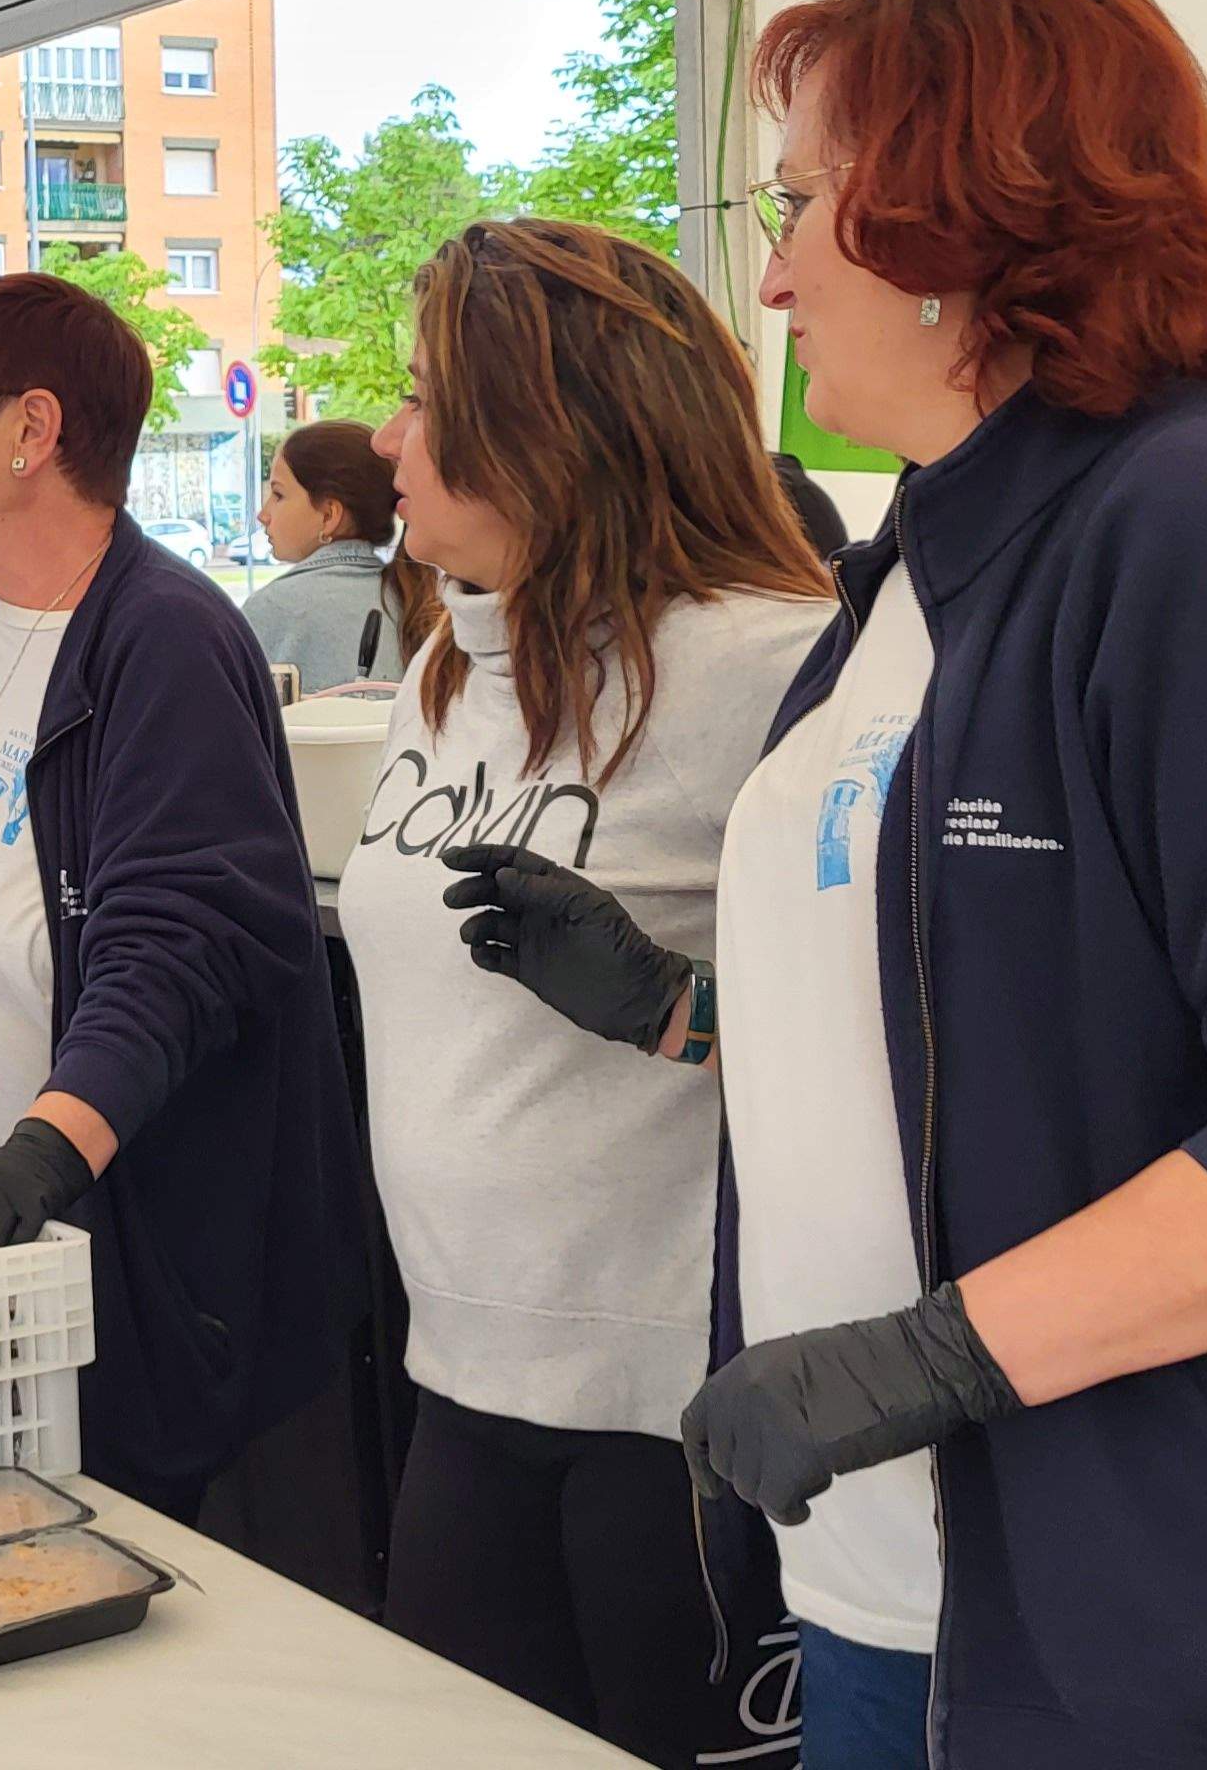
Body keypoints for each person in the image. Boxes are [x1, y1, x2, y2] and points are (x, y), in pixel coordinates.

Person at [452, 0, 1207, 1767]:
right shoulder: (906, 583)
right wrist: (683, 1009)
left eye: (812, 199)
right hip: (907, 1586)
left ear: (970, 209)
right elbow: (992, 1005)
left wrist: (928, 1357)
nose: (775, 266)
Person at [341, 220, 837, 1768]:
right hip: (458, 1376)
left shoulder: (776, 668)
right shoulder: (445, 668)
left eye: (426, 400)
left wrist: (676, 1006)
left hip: (675, 1411)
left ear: (551, 431)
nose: (387, 435)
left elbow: (910, 1038)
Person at [0, 271, 364, 1520]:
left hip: (114, 1287)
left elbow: (184, 937)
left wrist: (46, 1151)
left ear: (32, 430)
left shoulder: (165, 640)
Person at [236, 419, 428, 693]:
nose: (263, 514)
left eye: (278, 494)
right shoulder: (416, 601)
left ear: (329, 515)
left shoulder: (271, 609)